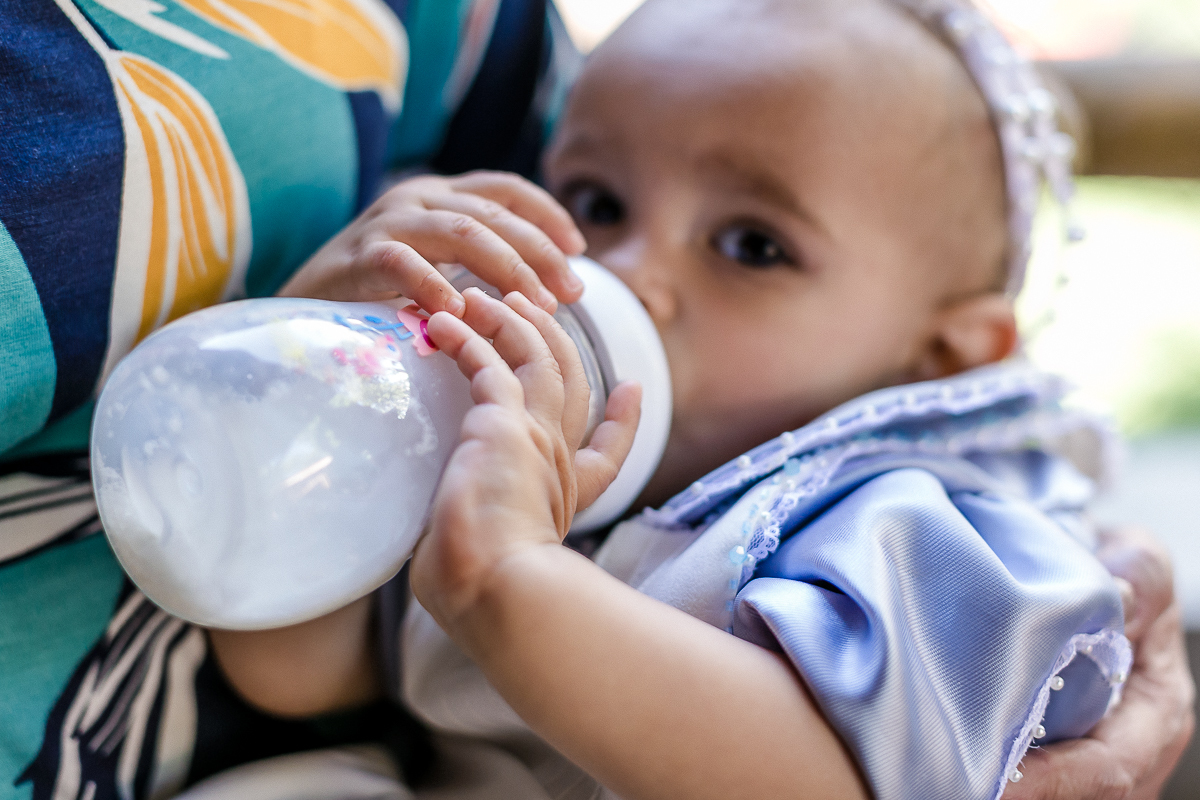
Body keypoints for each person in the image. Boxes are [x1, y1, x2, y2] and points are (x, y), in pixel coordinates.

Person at [0, 1, 1189, 799]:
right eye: (596, 199)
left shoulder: (895, 521)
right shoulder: (509, 460)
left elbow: (823, 775)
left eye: (752, 244)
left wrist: (511, 583)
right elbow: (301, 675)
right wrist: (303, 357)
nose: (624, 274)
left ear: (936, 358)